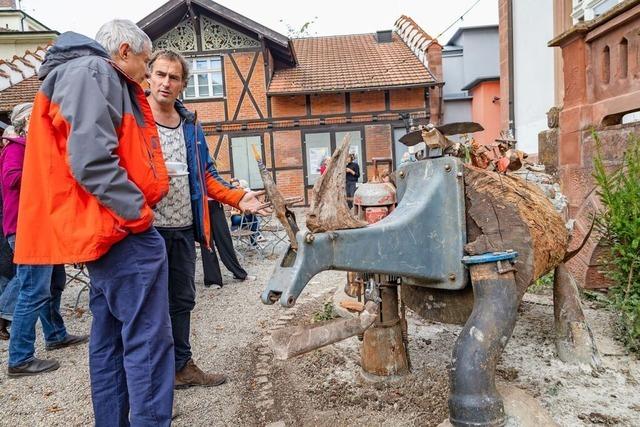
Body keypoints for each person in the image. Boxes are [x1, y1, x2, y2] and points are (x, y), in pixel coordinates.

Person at [13, 21, 173, 425]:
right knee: (148, 341)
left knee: (109, 343)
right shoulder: (94, 72)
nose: (146, 72)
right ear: (123, 51)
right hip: (120, 230)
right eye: (145, 60)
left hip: (102, 231)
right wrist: (137, 214)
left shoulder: (75, 73)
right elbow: (91, 160)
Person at [146, 49, 268, 389]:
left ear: (183, 83)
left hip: (184, 229)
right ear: (149, 77)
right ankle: (152, 383)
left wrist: (239, 197)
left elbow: (207, 175)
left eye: (174, 77)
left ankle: (182, 366)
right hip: (147, 231)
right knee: (149, 308)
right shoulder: (136, 121)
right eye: (160, 75)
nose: (166, 83)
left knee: (182, 300)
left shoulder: (190, 125)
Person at [2, 102, 88, 376]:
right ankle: (20, 358)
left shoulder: (36, 149)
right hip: (26, 230)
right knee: (33, 290)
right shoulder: (17, 148)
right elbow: (12, 178)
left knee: (53, 284)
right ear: (25, 124)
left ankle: (55, 334)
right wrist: (46, 169)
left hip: (44, 228)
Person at [200, 195, 255, 289]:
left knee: (225, 240)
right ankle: (212, 280)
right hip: (200, 204)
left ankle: (239, 273)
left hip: (215, 203)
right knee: (207, 243)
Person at [229, 179, 262, 246]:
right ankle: (257, 236)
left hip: (244, 218)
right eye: (234, 186)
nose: (237, 187)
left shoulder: (242, 193)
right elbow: (233, 210)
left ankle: (254, 242)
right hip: (235, 218)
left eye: (238, 185)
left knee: (252, 217)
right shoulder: (232, 194)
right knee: (252, 217)